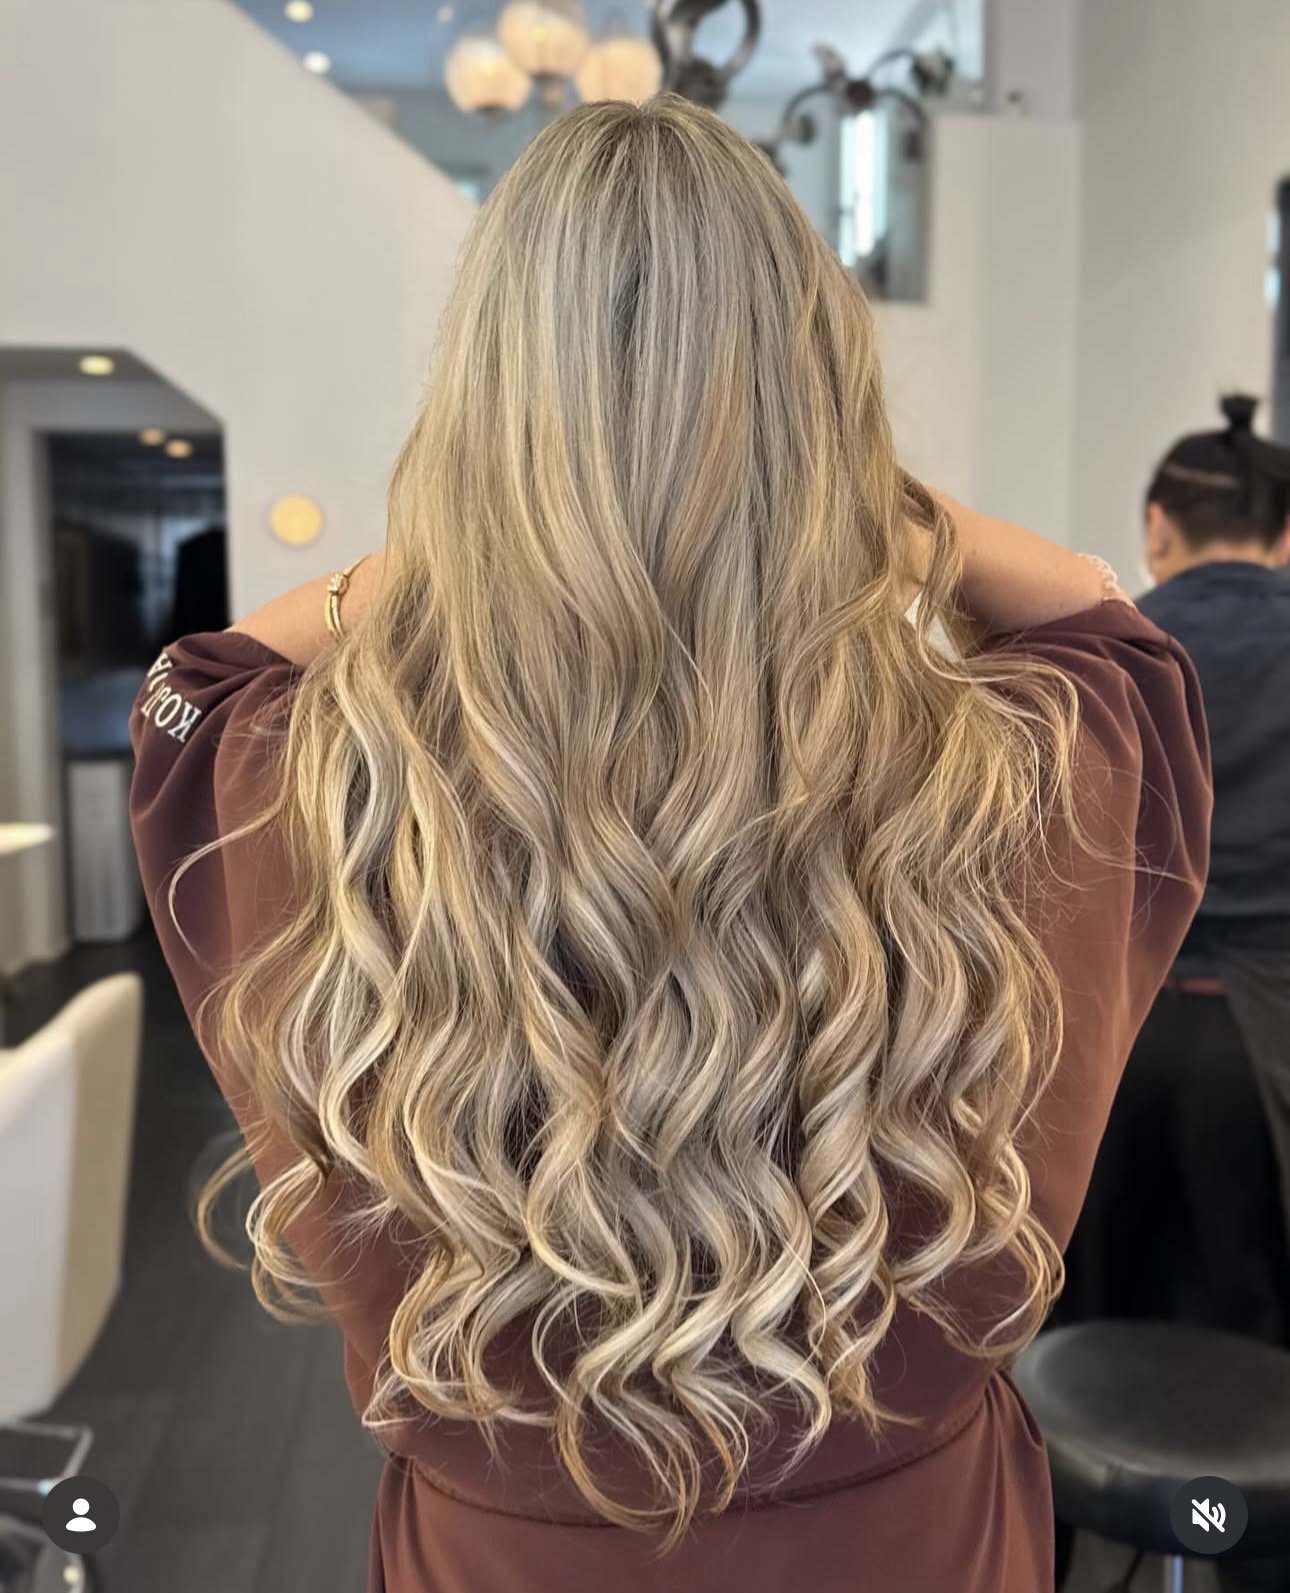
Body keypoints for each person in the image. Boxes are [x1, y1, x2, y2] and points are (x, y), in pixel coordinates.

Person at [128, 98, 1209, 1593]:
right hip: (909, 1545)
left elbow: (193, 697)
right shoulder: (1007, 784)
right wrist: (867, 510)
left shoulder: (333, 797)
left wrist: (476, 525)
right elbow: (1114, 635)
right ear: (821, 397)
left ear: (488, 407)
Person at [1061, 395, 1290, 1592]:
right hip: (1271, 1063)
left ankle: (1093, 1547)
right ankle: (1237, 1555)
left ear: (1159, 528)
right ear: (1287, 535)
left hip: (1112, 1043)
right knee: (1258, 1358)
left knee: (1081, 1343)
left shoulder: (1107, 651)